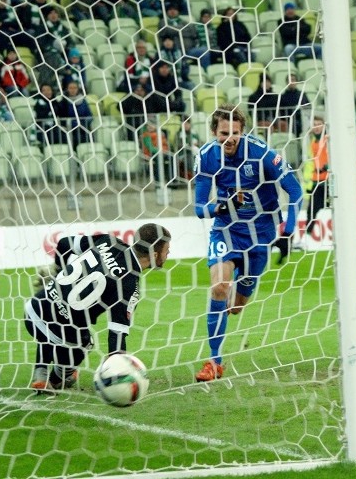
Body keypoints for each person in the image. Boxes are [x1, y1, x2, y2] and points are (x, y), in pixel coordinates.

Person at [193, 104, 303, 382]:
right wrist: (222, 207)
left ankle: (233, 299)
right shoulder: (207, 157)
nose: (228, 138)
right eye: (223, 133)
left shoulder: (262, 154)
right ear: (213, 132)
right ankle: (214, 362)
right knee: (219, 287)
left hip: (261, 235)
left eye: (234, 133)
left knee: (237, 306)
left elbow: (295, 190)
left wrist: (288, 231)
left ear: (243, 132)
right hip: (226, 231)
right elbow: (199, 208)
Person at [25, 223, 172, 392]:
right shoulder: (130, 285)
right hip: (59, 332)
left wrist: (57, 271)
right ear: (154, 254)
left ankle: (40, 372)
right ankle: (57, 379)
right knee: (84, 342)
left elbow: (64, 243)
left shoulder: (108, 241)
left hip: (33, 309)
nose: (168, 253)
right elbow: (116, 334)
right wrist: (117, 370)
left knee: (56, 316)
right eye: (166, 249)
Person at [302, 115, 329, 240]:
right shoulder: (312, 143)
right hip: (316, 181)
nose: (317, 127)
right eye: (315, 125)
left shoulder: (328, 139)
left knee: (333, 208)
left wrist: (328, 166)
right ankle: (307, 239)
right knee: (311, 210)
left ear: (324, 126)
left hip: (329, 180)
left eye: (319, 124)